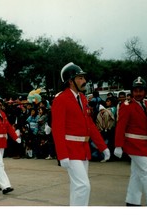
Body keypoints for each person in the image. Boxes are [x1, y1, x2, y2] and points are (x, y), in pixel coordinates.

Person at [51, 62, 110, 206]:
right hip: (70, 150)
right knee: (83, 186)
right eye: (80, 78)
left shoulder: (82, 99)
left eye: (84, 78)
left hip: (83, 149)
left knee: (77, 187)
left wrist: (103, 146)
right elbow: (57, 129)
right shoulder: (61, 99)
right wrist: (62, 154)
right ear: (70, 81)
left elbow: (90, 125)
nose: (84, 81)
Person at [114, 76, 147, 206]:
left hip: (144, 144)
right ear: (132, 92)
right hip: (132, 144)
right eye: (135, 91)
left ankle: (132, 202)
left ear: (145, 91)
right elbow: (121, 126)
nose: (138, 93)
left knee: (136, 174)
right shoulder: (127, 106)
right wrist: (118, 145)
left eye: (141, 91)